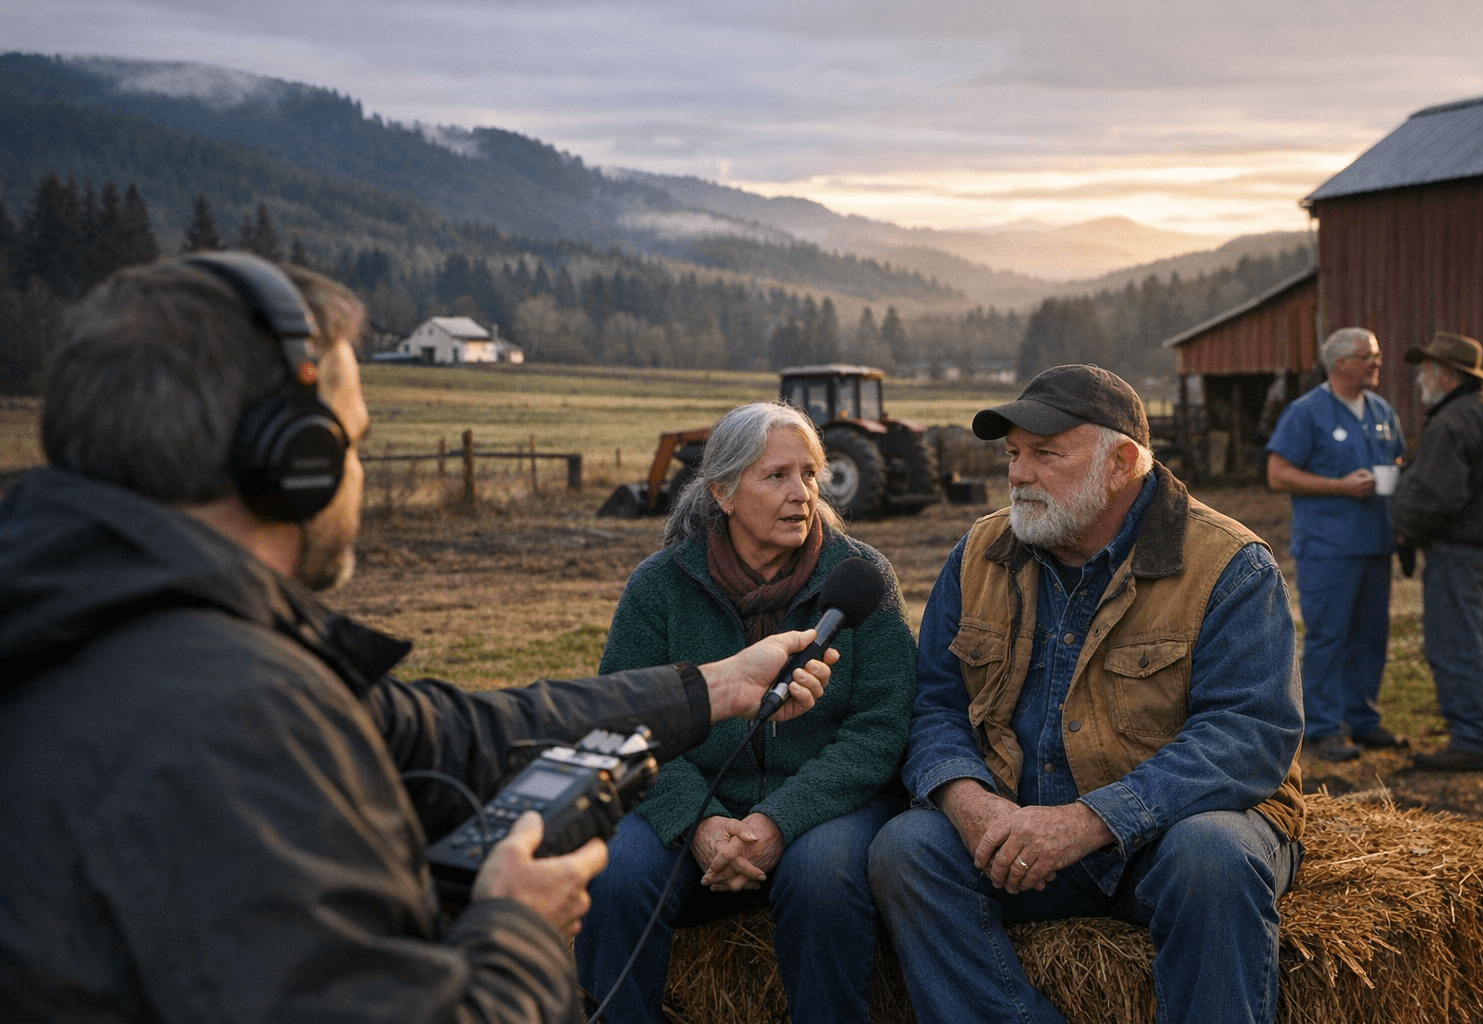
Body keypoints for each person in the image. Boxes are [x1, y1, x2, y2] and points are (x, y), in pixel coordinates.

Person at [0, 254, 834, 1023]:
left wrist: (709, 688)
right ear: (292, 463)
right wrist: (516, 933)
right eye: (352, 444)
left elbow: (444, 735)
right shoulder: (226, 720)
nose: (354, 470)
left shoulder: (109, 625)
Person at [869, 364, 1306, 1024]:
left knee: (1215, 855)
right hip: (1020, 834)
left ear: (1119, 462)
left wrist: (1090, 821)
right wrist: (970, 804)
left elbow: (1246, 739)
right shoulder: (978, 554)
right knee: (907, 849)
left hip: (1166, 839)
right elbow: (935, 702)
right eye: (1014, 454)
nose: (1018, 473)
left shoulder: (1229, 566)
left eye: (1045, 453)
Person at [576, 401, 916, 1024]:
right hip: (691, 798)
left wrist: (780, 819)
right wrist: (699, 824)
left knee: (823, 880)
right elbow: (631, 726)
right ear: (723, 493)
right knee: (615, 874)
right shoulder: (658, 588)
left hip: (822, 806)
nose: (802, 493)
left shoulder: (861, 580)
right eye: (777, 476)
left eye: (811, 474)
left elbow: (883, 724)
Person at [1392, 331, 1483, 771]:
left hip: (1460, 551)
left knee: (1456, 644)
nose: (1420, 380)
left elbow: (1434, 495)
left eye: (1425, 371)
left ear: (1446, 374)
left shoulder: (1453, 421)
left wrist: (1403, 531)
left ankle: (1474, 740)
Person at [1265, 327, 1408, 762]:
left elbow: (1398, 459)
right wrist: (1340, 486)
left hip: (1375, 543)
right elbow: (1278, 474)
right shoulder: (1307, 412)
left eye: (1378, 356)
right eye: (1369, 356)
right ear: (1340, 362)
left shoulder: (1381, 410)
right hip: (1329, 547)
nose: (1377, 363)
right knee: (1329, 637)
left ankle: (1362, 721)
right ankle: (1323, 727)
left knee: (1371, 636)